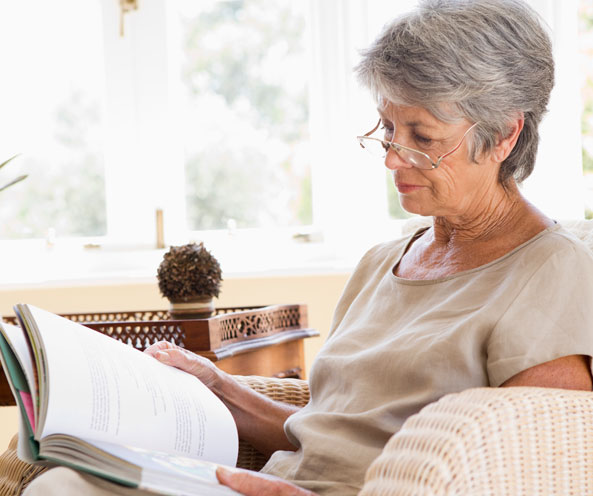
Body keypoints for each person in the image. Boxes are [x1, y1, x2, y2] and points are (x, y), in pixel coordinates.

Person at [23, 0, 593, 495]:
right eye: (388, 130)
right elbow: (324, 431)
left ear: (505, 135)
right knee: (61, 481)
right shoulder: (380, 264)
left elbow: (541, 466)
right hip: (272, 484)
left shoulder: (553, 270)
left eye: (422, 137)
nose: (394, 157)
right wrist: (218, 386)